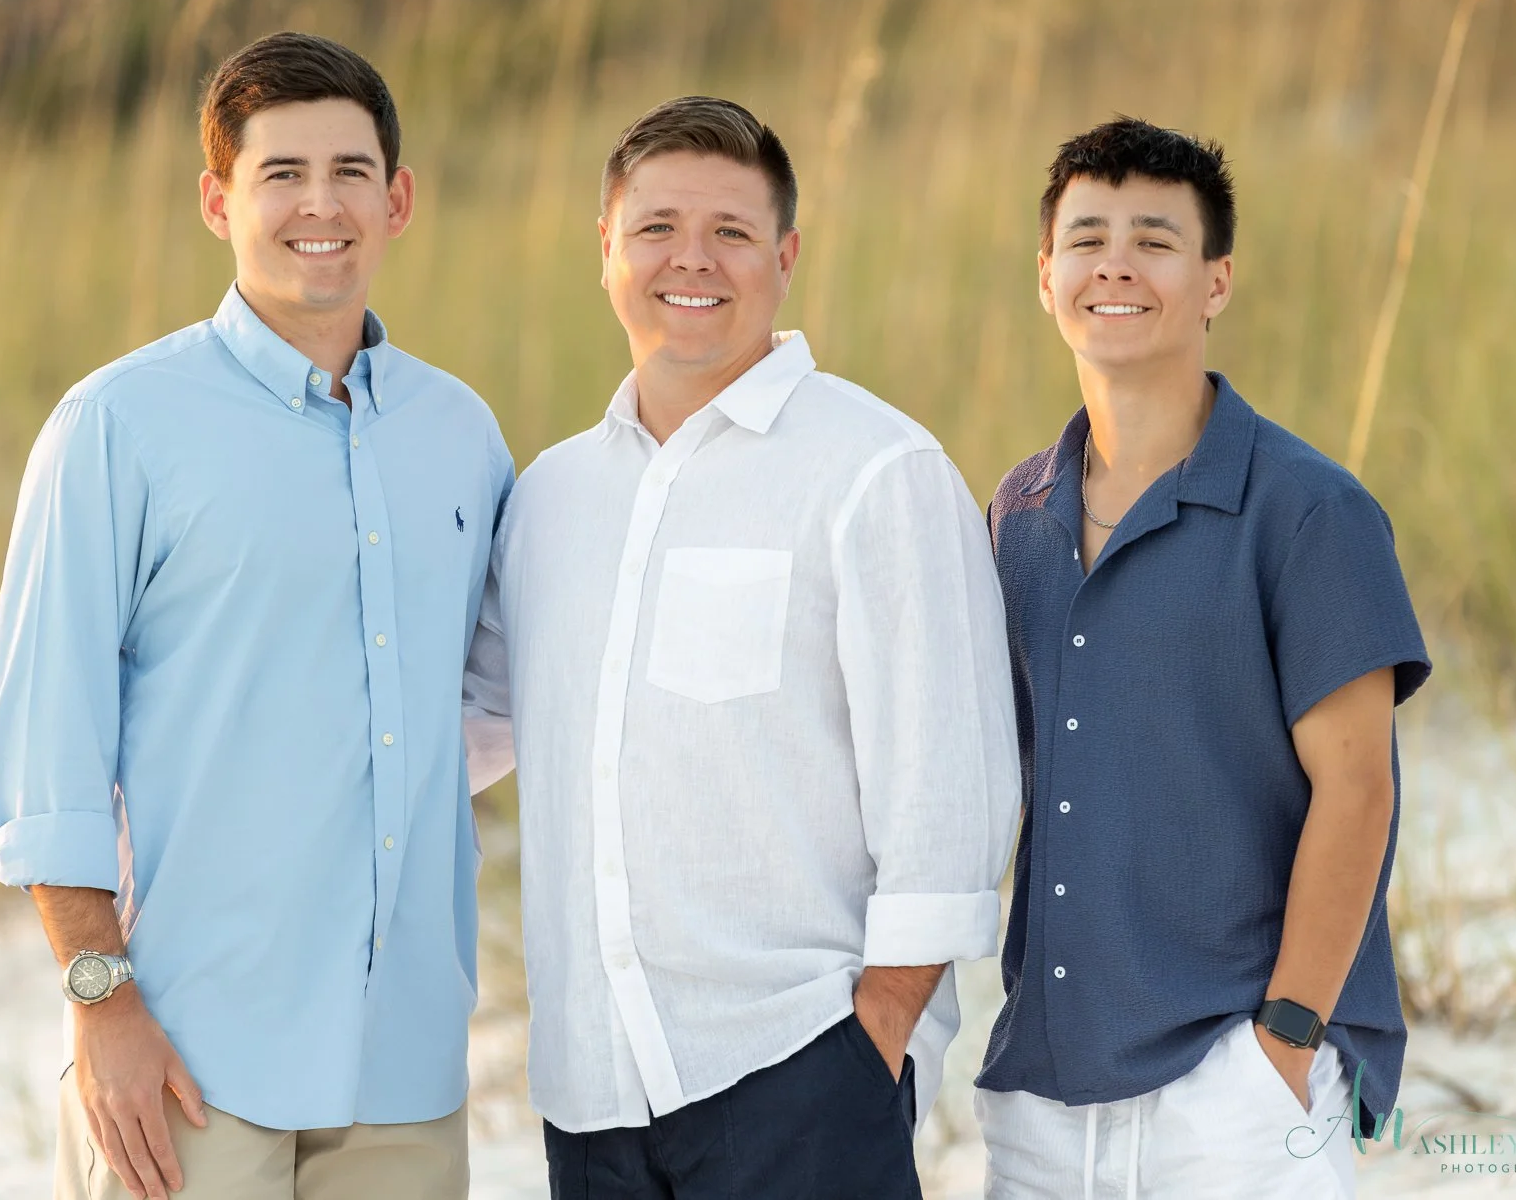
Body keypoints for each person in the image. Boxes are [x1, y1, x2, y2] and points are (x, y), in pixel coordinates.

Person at [0, 31, 511, 1200]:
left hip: (403, 1065)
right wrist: (99, 1002)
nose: (319, 205)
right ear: (218, 201)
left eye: (349, 171)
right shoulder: (119, 424)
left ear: (398, 197)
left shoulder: (458, 433)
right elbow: (44, 753)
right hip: (183, 1060)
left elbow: (487, 696)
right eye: (281, 174)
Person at [461, 96, 1021, 1198]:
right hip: (588, 1089)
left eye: (729, 231)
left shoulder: (874, 469)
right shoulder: (548, 496)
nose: (691, 260)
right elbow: (465, 730)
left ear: (786, 254)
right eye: (657, 226)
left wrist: (877, 1034)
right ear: (606, 250)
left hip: (798, 1072)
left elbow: (948, 790)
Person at [973, 117, 1431, 1199]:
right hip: (1042, 1094)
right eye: (1086, 238)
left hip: (1233, 1086)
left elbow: (1356, 787)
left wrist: (1280, 1039)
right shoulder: (1015, 514)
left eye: (1154, 239)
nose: (1115, 264)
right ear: (1046, 278)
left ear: (1214, 282)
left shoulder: (1309, 511)